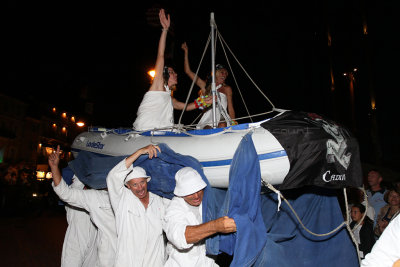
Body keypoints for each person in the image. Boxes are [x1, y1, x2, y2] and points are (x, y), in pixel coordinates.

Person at [133, 9, 212, 132]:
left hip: (162, 132)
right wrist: (164, 30)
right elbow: (160, 55)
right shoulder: (158, 85)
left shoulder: (168, 96)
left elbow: (185, 107)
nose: (176, 74)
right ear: (164, 75)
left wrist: (203, 101)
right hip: (145, 132)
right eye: (172, 72)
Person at [49, 146, 117, 267]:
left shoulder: (100, 193)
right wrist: (54, 167)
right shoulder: (79, 189)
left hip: (95, 240)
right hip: (77, 238)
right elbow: (63, 191)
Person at [106, 144, 169, 267]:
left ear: (147, 181)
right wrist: (140, 151)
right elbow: (112, 177)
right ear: (128, 185)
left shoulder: (158, 200)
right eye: (135, 184)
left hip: (154, 262)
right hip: (128, 262)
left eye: (142, 182)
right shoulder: (122, 199)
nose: (140, 188)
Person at [163, 166, 237, 266]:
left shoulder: (207, 202)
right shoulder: (173, 210)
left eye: (198, 190)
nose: (196, 196)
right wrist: (216, 226)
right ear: (181, 193)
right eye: (191, 193)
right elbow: (180, 237)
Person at [181, 42, 236, 129]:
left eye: (226, 74)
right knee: (207, 128)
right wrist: (186, 52)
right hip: (208, 116)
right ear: (216, 73)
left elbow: (230, 107)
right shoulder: (206, 86)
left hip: (222, 116)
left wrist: (234, 122)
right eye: (222, 72)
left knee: (222, 125)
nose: (224, 75)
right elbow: (188, 71)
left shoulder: (227, 88)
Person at [61, 176, 98, 267]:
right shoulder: (73, 193)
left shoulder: (96, 195)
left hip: (95, 238)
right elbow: (66, 190)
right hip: (76, 237)